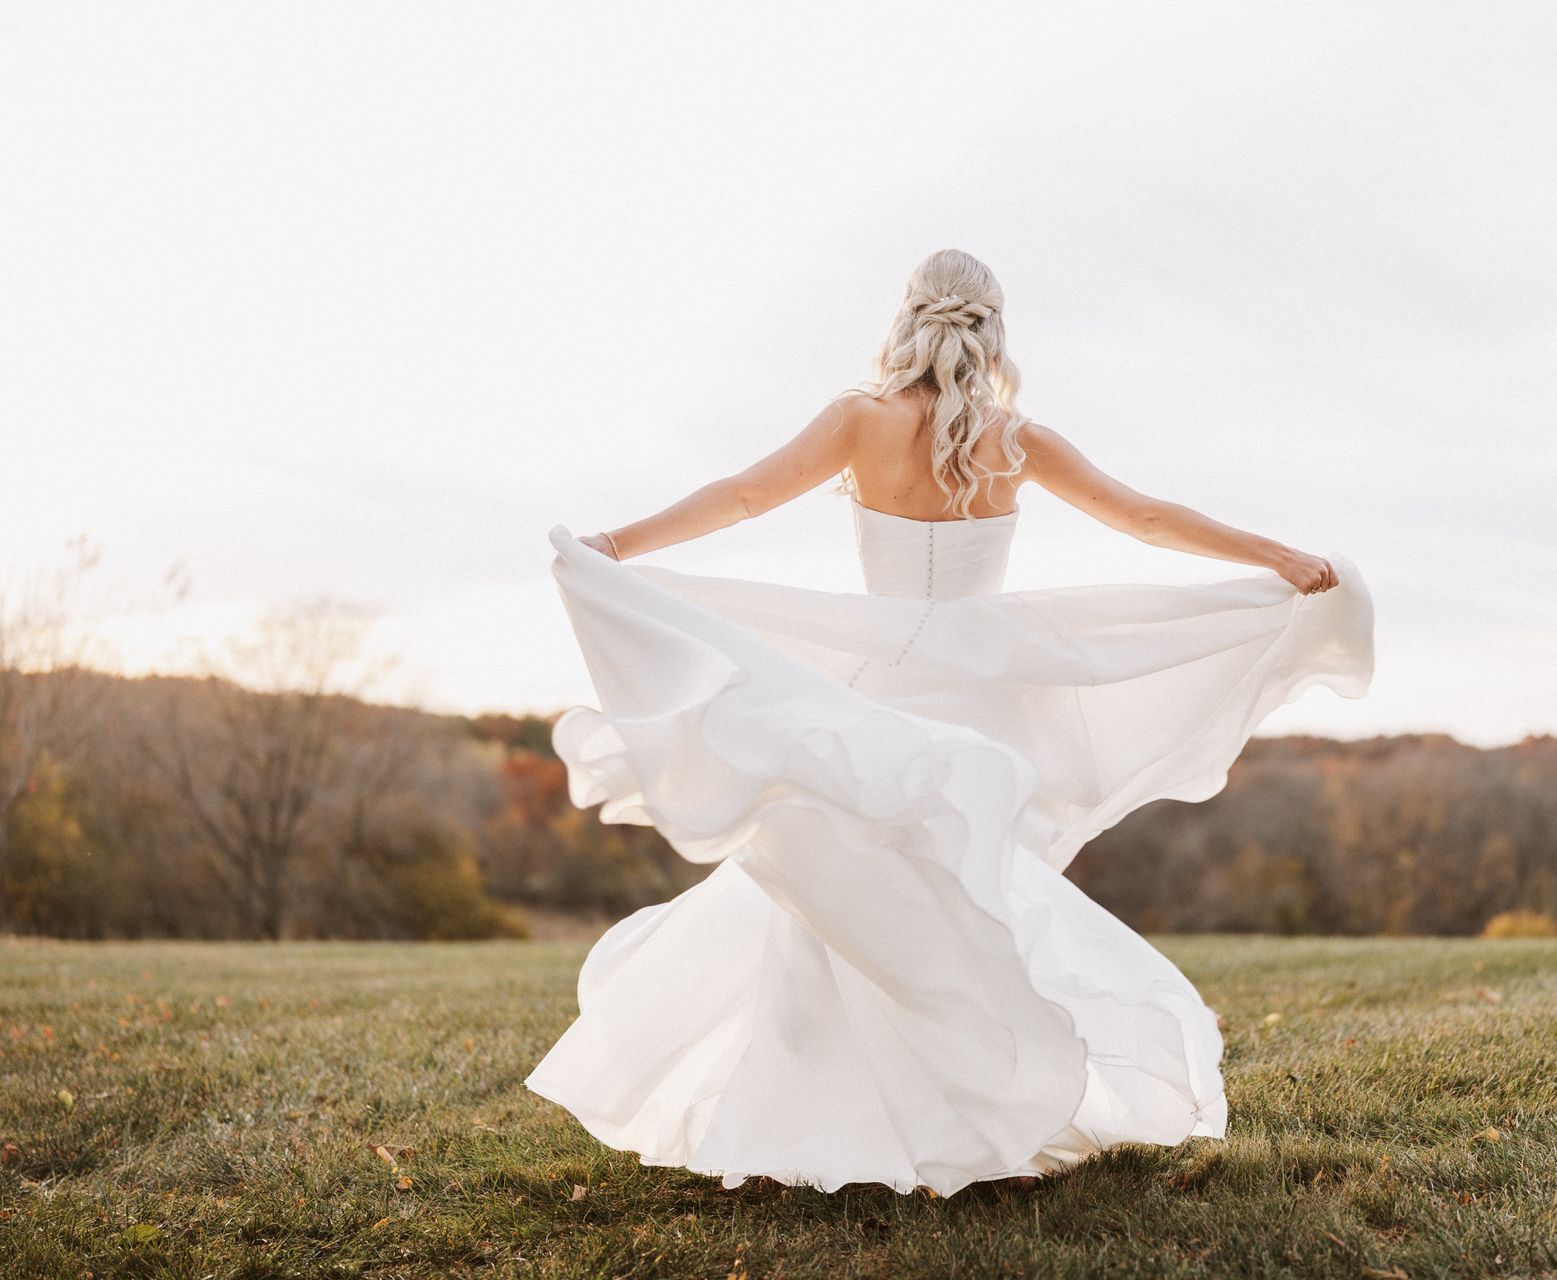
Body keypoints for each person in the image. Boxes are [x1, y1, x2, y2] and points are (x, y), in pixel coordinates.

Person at [524, 248, 1374, 1197]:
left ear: (908, 319)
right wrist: (1277, 555)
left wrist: (618, 546)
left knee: (841, 888)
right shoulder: (1017, 440)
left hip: (879, 686)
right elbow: (1143, 518)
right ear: (993, 326)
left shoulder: (857, 420)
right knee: (966, 904)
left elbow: (746, 495)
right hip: (986, 705)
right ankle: (957, 1113)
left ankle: (830, 1119)